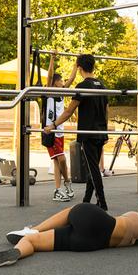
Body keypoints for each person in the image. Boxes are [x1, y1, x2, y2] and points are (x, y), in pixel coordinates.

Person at [0, 192, 138, 267]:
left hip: (99, 224)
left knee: (71, 211)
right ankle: (18, 251)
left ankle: (32, 230)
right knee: (34, 244)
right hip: (88, 243)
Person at [44, 54, 109, 210]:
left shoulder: (82, 86)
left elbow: (68, 112)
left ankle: (102, 203)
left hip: (88, 134)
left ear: (80, 68)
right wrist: (105, 131)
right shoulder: (102, 85)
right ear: (93, 66)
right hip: (100, 133)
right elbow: (107, 110)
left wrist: (52, 125)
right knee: (91, 168)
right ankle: (86, 201)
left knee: (93, 170)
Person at [42, 52, 77, 202]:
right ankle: (66, 182)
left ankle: (59, 189)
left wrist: (76, 64)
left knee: (57, 161)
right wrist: (52, 58)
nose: (63, 82)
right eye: (60, 80)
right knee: (61, 159)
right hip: (50, 131)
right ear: (55, 82)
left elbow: (72, 78)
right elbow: (49, 76)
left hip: (59, 132)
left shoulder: (62, 93)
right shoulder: (49, 92)